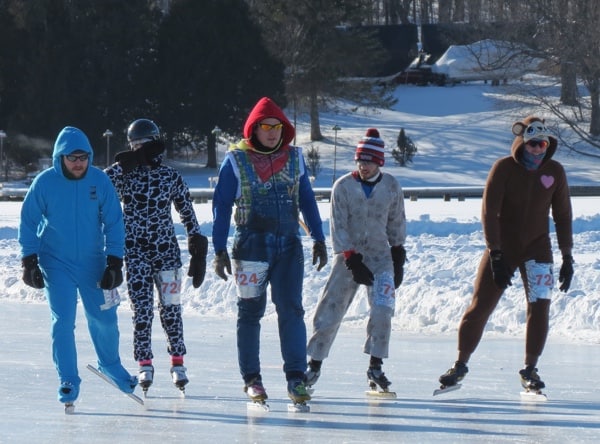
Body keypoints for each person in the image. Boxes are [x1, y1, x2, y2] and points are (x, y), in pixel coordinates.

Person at [438, 116, 574, 392]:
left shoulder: (555, 172)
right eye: (533, 143)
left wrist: (567, 256)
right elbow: (490, 212)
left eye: (543, 144)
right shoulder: (503, 168)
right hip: (503, 248)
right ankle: (460, 364)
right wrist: (495, 252)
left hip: (538, 250)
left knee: (539, 308)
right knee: (480, 305)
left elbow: (563, 216)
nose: (538, 149)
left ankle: (530, 368)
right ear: (523, 143)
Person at [212, 97, 328, 405]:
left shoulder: (294, 158)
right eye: (266, 126)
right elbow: (222, 206)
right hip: (251, 246)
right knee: (250, 313)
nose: (273, 132)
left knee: (292, 309)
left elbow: (306, 199)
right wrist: (219, 249)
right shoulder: (236, 161)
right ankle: (252, 379)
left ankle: (296, 379)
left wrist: (318, 238)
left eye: (278, 127)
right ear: (254, 129)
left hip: (288, 245)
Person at [19, 126, 136, 407]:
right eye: (72, 157)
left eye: (83, 157)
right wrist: (29, 260)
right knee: (63, 322)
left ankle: (110, 364)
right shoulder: (45, 183)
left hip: (92, 263)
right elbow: (28, 220)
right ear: (61, 157)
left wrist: (115, 261)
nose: (78, 163)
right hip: (55, 263)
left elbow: (114, 222)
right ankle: (68, 378)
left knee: (105, 317)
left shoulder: (100, 181)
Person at [104, 118, 208, 393]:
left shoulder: (170, 176)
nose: (138, 149)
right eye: (133, 145)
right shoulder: (125, 174)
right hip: (134, 250)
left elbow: (186, 210)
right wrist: (121, 165)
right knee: (142, 310)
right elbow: (100, 185)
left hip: (166, 252)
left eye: (143, 145)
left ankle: (177, 361)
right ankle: (144, 362)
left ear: (155, 144)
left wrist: (196, 241)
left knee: (171, 309)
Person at [305, 128, 407, 393]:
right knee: (331, 309)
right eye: (360, 161)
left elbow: (396, 221)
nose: (364, 166)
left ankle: (375, 366)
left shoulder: (391, 186)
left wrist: (398, 255)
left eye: (369, 161)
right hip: (349, 258)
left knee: (383, 310)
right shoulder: (343, 187)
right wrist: (350, 258)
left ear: (379, 162)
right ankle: (314, 364)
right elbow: (337, 225)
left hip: (381, 257)